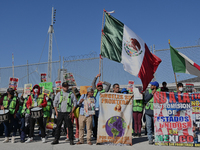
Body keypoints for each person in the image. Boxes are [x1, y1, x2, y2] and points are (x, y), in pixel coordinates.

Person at [92, 73, 111, 139]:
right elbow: (93, 83)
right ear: (97, 87)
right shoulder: (95, 91)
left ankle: (101, 134)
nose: (100, 87)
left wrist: (103, 82)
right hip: (95, 110)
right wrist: (96, 77)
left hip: (102, 110)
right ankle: (95, 135)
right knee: (95, 123)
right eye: (99, 86)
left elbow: (109, 85)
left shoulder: (104, 91)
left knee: (102, 123)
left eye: (101, 86)